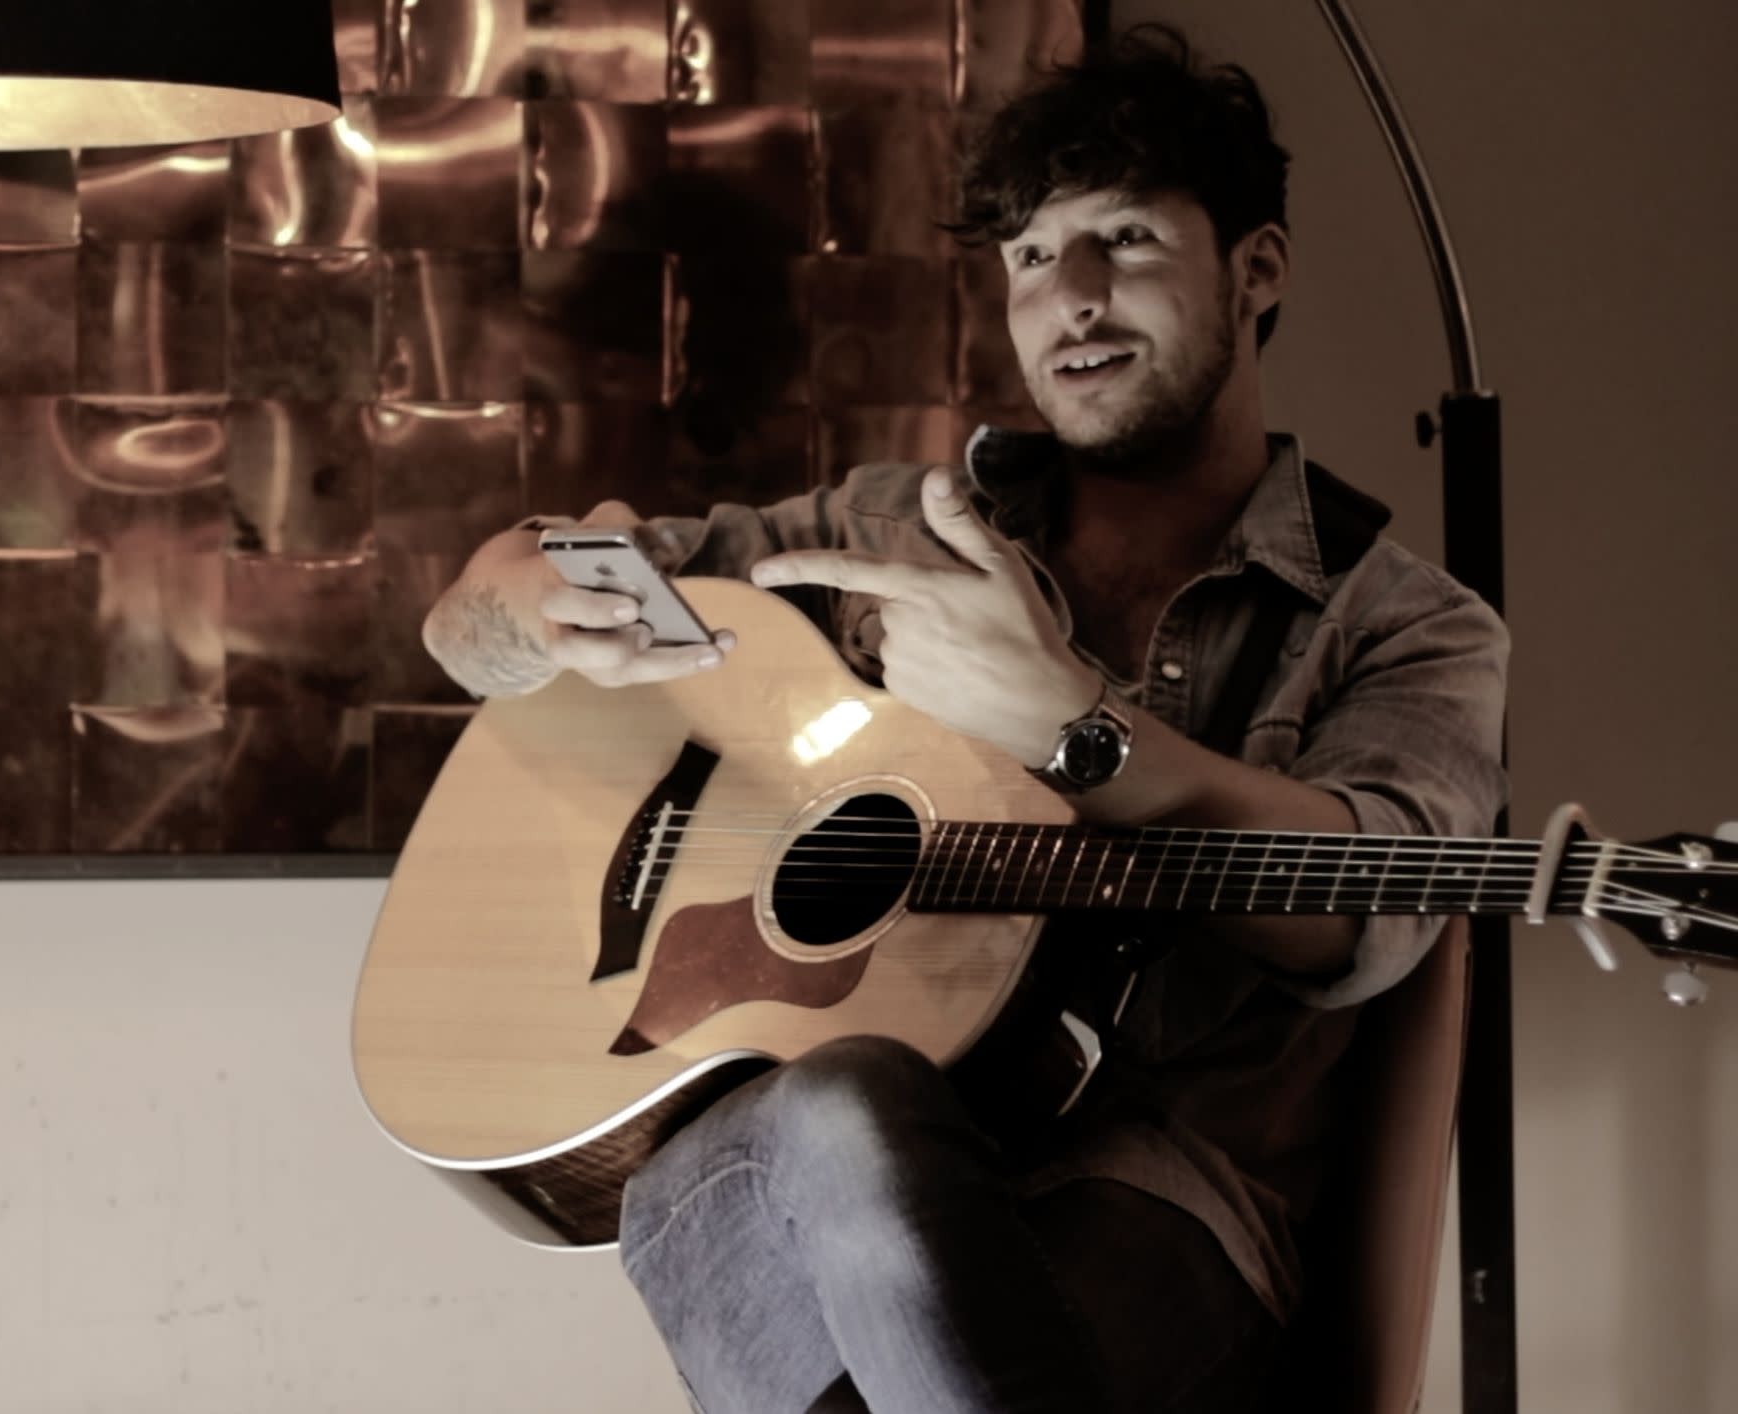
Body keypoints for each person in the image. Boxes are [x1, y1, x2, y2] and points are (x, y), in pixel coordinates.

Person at [420, 24, 1508, 1414]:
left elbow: (1371, 912)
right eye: (1033, 257)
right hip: (782, 1172)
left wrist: (1075, 728)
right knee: (844, 1108)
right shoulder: (884, 535)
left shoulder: (1409, 624)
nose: (1073, 299)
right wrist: (526, 611)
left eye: (1125, 238)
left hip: (1156, 1207)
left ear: (1259, 269)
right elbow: (472, 619)